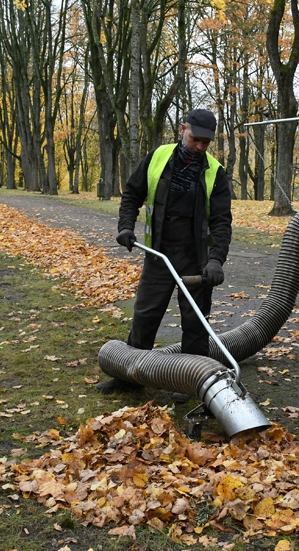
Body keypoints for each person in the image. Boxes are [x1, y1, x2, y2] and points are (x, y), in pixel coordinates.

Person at [96, 109, 233, 397]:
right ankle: (129, 376)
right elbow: (132, 193)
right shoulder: (158, 157)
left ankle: (190, 382)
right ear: (184, 128)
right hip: (159, 255)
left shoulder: (215, 173)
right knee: (145, 316)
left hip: (196, 259)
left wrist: (216, 260)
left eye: (206, 143)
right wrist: (125, 226)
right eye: (196, 139)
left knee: (195, 323)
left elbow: (222, 221)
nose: (200, 147)